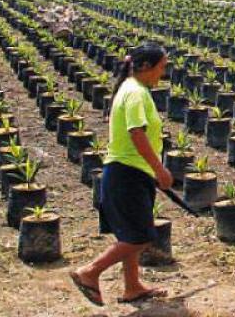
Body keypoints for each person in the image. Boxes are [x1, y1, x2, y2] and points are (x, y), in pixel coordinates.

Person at [70, 43, 173, 306]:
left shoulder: (131, 89)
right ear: (146, 67)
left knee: (131, 233)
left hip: (128, 173)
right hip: (127, 174)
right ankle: (90, 272)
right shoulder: (136, 92)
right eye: (162, 67)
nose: (163, 73)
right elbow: (136, 132)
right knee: (140, 236)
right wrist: (160, 169)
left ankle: (132, 287)